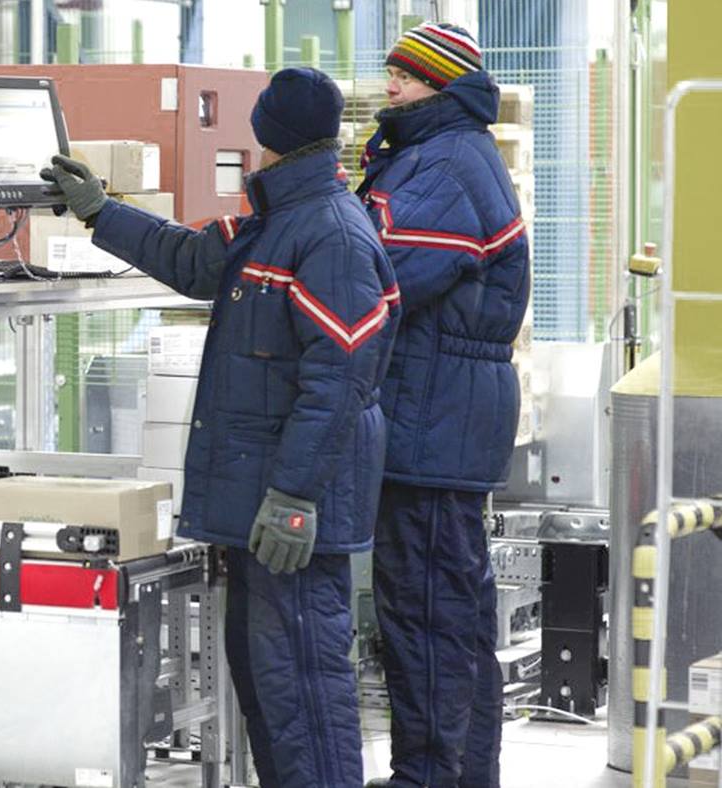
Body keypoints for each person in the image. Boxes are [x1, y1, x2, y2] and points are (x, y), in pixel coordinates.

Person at [44, 67, 399, 788]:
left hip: (292, 509)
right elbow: (195, 259)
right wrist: (99, 210)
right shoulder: (278, 218)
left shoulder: (327, 234)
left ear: (268, 134)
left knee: (303, 684)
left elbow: (339, 381)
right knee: (269, 682)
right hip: (262, 502)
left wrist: (296, 497)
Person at [355, 22, 530, 788]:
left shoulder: (447, 163)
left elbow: (379, 275)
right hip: (442, 413)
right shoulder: (434, 153)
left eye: (407, 76)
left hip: (434, 419)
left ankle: (428, 778)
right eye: (391, 71)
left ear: (442, 84)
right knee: (452, 620)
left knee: (426, 619)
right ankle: (464, 776)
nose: (390, 85)